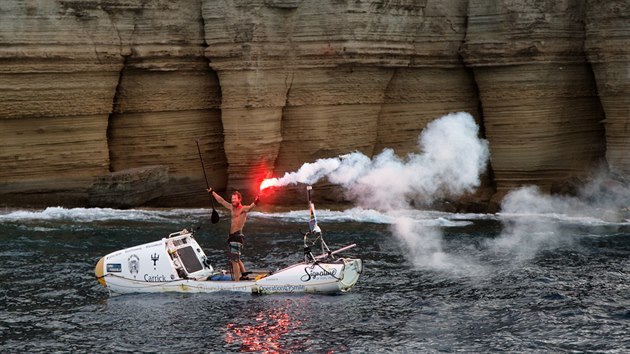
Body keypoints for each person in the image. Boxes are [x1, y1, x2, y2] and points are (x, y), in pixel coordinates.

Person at [207, 188, 259, 281]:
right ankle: (244, 275)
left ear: (239, 199)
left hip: (237, 237)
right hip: (232, 237)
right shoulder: (231, 207)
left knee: (234, 260)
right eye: (232, 199)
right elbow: (221, 201)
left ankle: (236, 281)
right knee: (236, 258)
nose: (233, 201)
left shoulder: (243, 209)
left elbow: (250, 207)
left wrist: (256, 201)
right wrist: (212, 192)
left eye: (235, 199)